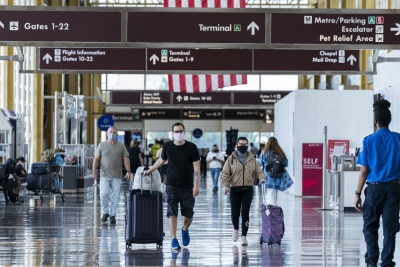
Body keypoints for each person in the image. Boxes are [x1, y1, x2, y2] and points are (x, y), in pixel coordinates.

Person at [354, 99, 400, 267]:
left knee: (370, 225)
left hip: (374, 190)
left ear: (375, 121)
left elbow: (364, 171)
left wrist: (357, 193)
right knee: (390, 227)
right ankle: (387, 261)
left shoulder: (368, 141)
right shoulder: (398, 139)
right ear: (389, 120)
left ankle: (372, 259)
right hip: (394, 188)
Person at [143, 122, 200, 250]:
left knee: (188, 215)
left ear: (184, 132)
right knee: (171, 212)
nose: (179, 134)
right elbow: (161, 160)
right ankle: (174, 239)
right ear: (172, 133)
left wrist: (196, 185)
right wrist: (149, 170)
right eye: (176, 132)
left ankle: (185, 229)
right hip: (171, 185)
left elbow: (197, 167)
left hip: (187, 186)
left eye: (181, 131)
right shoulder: (168, 146)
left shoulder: (192, 147)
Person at [221, 137, 266, 246]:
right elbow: (225, 173)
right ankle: (236, 228)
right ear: (237, 145)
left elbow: (258, 171)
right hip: (234, 189)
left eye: (244, 144)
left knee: (245, 212)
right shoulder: (231, 159)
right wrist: (225, 186)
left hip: (248, 189)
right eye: (240, 144)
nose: (243, 146)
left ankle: (244, 236)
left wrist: (262, 178)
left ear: (247, 145)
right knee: (234, 213)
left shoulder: (252, 159)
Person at [92, 126, 131, 224]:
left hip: (117, 175)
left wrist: (128, 171)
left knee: (115, 197)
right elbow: (96, 159)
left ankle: (113, 215)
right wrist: (94, 171)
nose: (112, 133)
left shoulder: (121, 146)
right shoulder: (102, 145)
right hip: (104, 174)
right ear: (107, 133)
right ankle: (105, 212)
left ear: (117, 135)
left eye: (114, 132)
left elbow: (126, 159)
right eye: (110, 132)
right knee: (103, 194)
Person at [260, 137, 293, 206]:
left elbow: (260, 162)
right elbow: (286, 164)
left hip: (268, 177)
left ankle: (273, 212)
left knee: (270, 194)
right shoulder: (281, 153)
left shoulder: (265, 153)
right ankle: (273, 211)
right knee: (274, 194)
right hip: (278, 176)